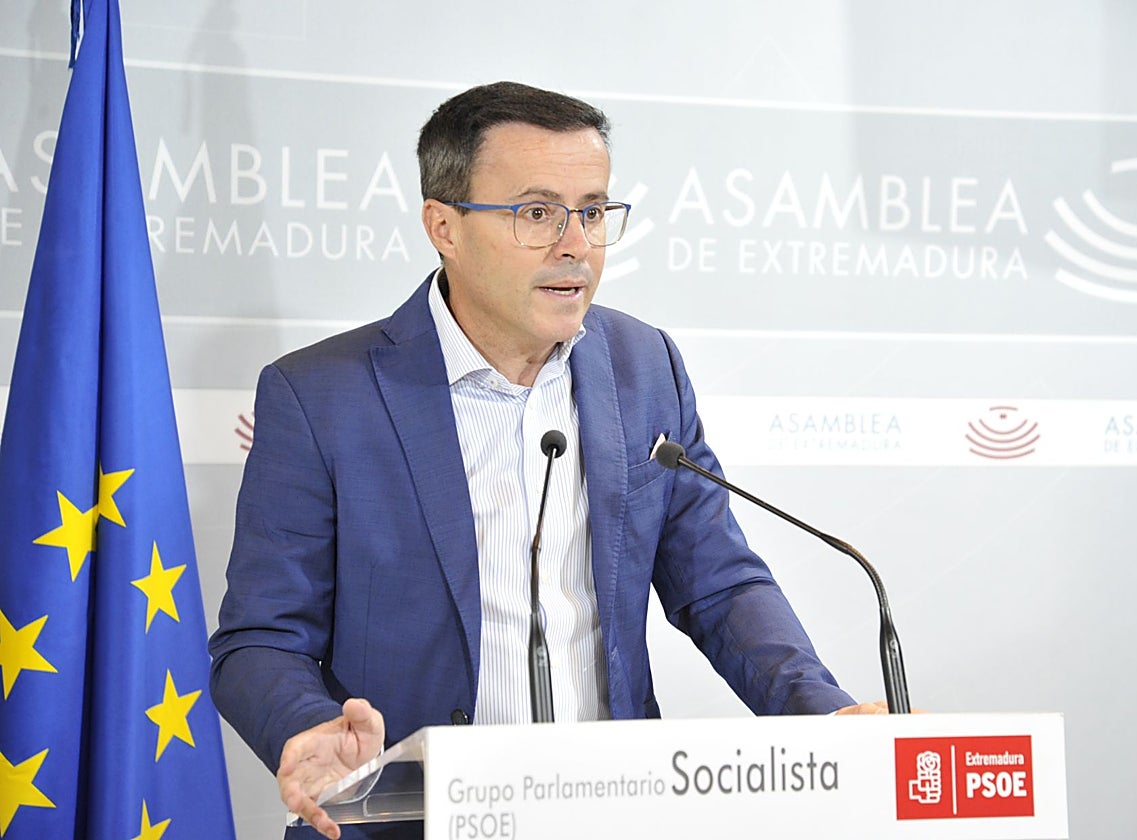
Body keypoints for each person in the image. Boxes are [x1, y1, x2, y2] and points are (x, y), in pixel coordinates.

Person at [208, 81, 886, 840]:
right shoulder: (322, 395)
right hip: (402, 822)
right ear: (445, 227)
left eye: (593, 211)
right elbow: (261, 638)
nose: (576, 244)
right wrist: (307, 728)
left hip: (611, 815)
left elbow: (719, 584)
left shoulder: (644, 366)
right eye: (537, 213)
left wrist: (823, 716)